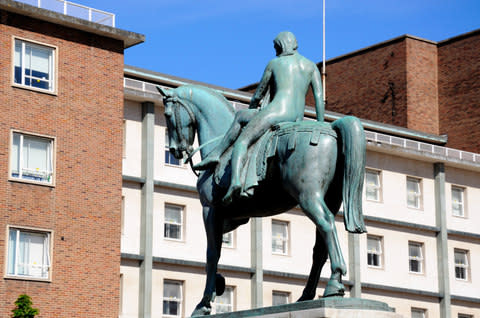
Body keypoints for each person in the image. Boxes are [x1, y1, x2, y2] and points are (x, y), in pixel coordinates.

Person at [194, 31, 324, 203]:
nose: (276, 50)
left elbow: (258, 94)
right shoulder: (310, 66)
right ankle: (217, 155)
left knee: (242, 137)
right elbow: (318, 97)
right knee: (242, 118)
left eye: (276, 47)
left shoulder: (275, 63)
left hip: (277, 112)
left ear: (281, 45)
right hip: (297, 117)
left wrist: (253, 111)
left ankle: (234, 180)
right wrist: (321, 123)